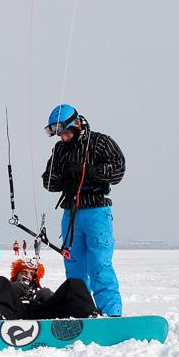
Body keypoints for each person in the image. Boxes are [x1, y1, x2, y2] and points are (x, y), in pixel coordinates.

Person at [41, 103, 125, 316]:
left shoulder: (100, 142)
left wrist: (90, 174)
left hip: (97, 212)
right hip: (71, 215)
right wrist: (65, 180)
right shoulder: (60, 149)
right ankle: (81, 311)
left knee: (99, 266)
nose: (63, 137)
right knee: (74, 269)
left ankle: (111, 313)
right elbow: (47, 181)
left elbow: (118, 171)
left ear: (76, 123)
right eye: (59, 134)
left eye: (65, 132)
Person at [0, 258, 99, 321]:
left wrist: (48, 296)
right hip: (12, 312)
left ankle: (89, 316)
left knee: (74, 283)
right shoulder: (4, 288)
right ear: (16, 274)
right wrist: (13, 289)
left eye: (30, 273)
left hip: (42, 312)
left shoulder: (39, 291)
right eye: (23, 272)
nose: (26, 276)